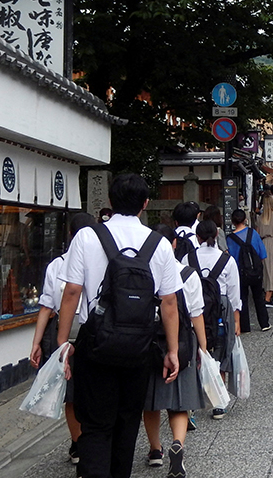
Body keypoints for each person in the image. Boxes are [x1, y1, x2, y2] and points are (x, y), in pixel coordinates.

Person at [56, 173, 182, 478]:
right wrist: (173, 350)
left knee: (96, 424)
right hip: (139, 347)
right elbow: (169, 303)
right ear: (145, 204)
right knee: (128, 420)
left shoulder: (88, 236)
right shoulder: (159, 244)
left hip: (96, 345)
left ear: (110, 202)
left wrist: (62, 343)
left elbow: (72, 292)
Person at [28, 212, 95, 466]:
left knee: (72, 392)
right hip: (93, 332)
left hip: (64, 335)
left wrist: (36, 342)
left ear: (69, 235)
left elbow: (46, 306)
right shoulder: (101, 261)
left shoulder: (57, 265)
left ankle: (77, 443)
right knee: (91, 388)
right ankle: (89, 439)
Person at [142, 224, 207, 477]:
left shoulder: (143, 269)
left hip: (150, 342)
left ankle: (155, 450)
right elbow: (197, 313)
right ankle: (177, 444)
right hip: (181, 342)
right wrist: (203, 347)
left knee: (150, 401)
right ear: (174, 244)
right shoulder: (188, 273)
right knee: (179, 402)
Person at [184, 219, 241, 420]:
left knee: (196, 352)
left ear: (197, 237)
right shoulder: (227, 260)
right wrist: (236, 320)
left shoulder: (187, 258)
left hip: (195, 309)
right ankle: (218, 402)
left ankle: (190, 405)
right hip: (222, 308)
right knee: (221, 350)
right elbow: (235, 293)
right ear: (216, 236)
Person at [227, 209, 271, 332]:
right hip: (255, 271)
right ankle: (264, 323)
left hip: (240, 272)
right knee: (258, 297)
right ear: (245, 219)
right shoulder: (253, 233)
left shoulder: (230, 238)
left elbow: (231, 258)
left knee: (242, 298)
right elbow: (262, 253)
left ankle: (245, 326)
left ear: (232, 221)